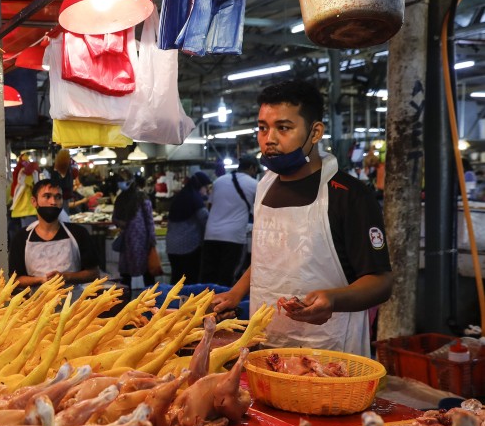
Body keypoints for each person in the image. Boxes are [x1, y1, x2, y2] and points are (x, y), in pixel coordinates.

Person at [211, 80, 393, 355]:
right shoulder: (264, 185)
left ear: (315, 131)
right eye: (262, 128)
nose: (269, 139)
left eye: (283, 128)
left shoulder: (348, 194)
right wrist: (236, 292)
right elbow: (270, 255)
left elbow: (380, 282)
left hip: (328, 349)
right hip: (265, 343)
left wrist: (333, 299)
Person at [9, 179, 100, 291]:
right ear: (34, 201)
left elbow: (94, 273)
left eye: (58, 197)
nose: (53, 202)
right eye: (47, 196)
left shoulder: (78, 233)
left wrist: (66, 277)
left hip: (73, 304)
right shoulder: (21, 238)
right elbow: (15, 279)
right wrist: (40, 280)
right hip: (36, 305)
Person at [200, 154, 260, 288]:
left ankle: (203, 306)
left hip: (211, 235)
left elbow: (210, 206)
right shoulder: (255, 185)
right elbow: (260, 212)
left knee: (208, 278)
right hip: (233, 237)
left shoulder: (219, 181)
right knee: (226, 279)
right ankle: (221, 308)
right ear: (252, 168)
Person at [111, 178, 159, 289]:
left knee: (126, 277)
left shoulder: (120, 198)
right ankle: (151, 302)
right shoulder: (142, 197)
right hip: (142, 241)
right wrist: (152, 241)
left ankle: (126, 303)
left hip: (129, 242)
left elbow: (114, 219)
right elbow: (150, 221)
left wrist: (122, 224)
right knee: (147, 275)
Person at [165, 171, 211, 284]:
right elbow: (205, 220)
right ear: (200, 186)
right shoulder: (195, 198)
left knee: (176, 278)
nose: (206, 191)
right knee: (189, 280)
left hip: (171, 247)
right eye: (205, 187)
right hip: (188, 247)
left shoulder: (180, 196)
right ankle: (188, 302)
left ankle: (173, 300)